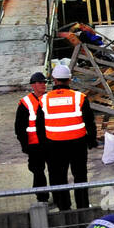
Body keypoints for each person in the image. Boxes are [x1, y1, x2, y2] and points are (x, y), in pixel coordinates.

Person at [37, 63, 96, 211]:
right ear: (69, 80)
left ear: (54, 80)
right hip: (78, 144)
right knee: (80, 176)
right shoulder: (80, 98)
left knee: (59, 177)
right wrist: (91, 140)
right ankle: (83, 206)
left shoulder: (43, 100)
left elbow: (39, 126)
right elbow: (90, 122)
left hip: (54, 145)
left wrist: (44, 146)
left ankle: (64, 208)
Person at [14, 72, 49, 204]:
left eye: (44, 82)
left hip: (51, 141)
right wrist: (25, 145)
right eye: (40, 82)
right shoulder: (25, 103)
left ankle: (59, 197)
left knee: (55, 171)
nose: (43, 85)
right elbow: (19, 127)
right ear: (33, 85)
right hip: (34, 144)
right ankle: (42, 197)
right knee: (38, 171)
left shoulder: (50, 99)